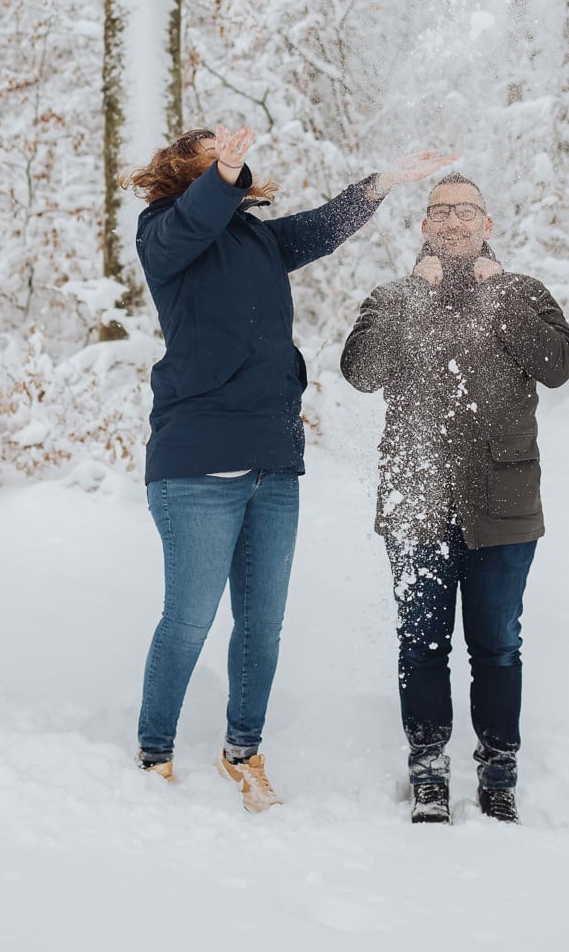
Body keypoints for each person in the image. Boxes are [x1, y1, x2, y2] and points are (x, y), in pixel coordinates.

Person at [122, 124, 454, 812]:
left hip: (273, 460)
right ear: (185, 169)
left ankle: (244, 751)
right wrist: (223, 177)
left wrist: (386, 180)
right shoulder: (162, 235)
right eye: (212, 154)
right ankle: (154, 754)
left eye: (232, 153)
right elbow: (192, 221)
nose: (229, 159)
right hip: (197, 464)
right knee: (188, 619)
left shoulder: (256, 239)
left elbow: (323, 228)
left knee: (262, 625)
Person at [340, 171, 569, 825]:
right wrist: (416, 295)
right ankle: (428, 769)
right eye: (439, 211)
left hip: (504, 505)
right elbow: (362, 372)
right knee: (421, 643)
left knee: (497, 645)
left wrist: (498, 295)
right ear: (422, 227)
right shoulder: (394, 296)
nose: (451, 220)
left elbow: (558, 365)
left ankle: (498, 773)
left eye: (465, 210)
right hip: (416, 504)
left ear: (487, 225)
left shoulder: (522, 293)